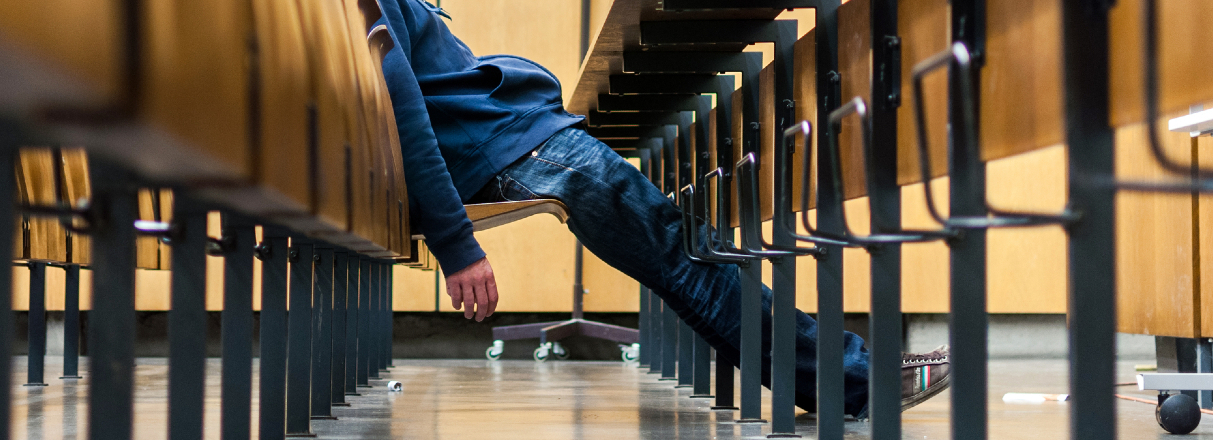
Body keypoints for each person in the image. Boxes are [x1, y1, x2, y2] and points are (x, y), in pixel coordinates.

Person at [372, 0, 949, 417]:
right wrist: (455, 244)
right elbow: (405, 105)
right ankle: (855, 379)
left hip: (515, 140)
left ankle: (841, 379)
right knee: (683, 252)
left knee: (681, 257)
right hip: (517, 147)